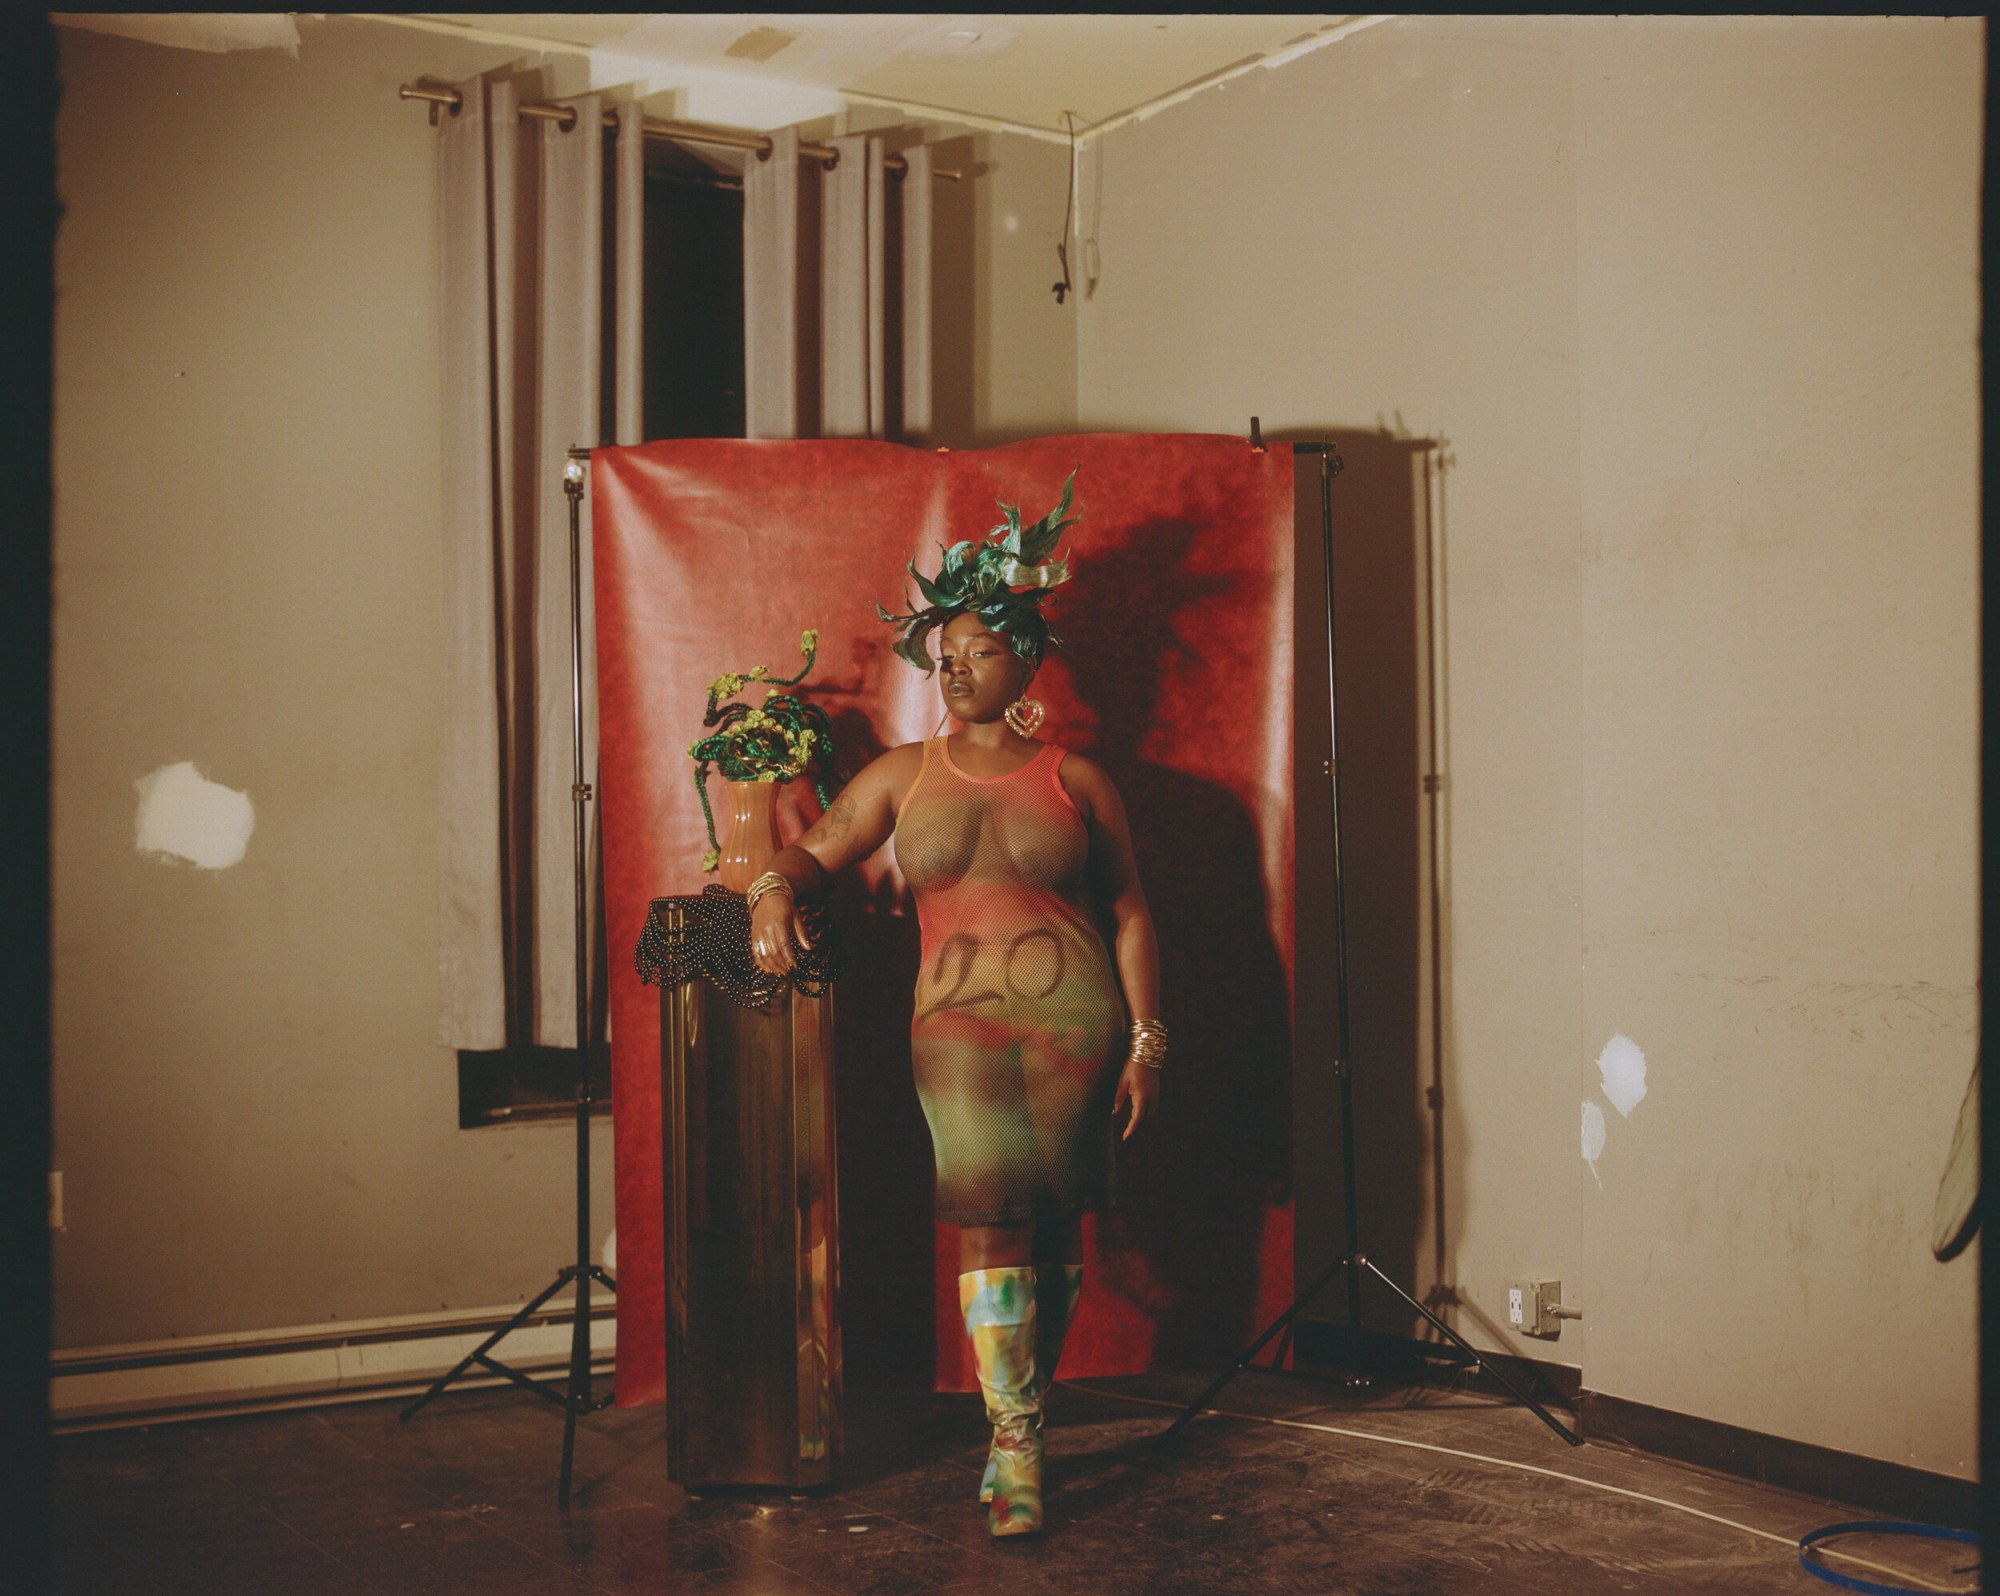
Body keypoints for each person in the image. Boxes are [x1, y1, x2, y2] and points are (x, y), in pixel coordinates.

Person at [745, 471, 1166, 1538]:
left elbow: (1126, 913)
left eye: (982, 652)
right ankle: (1016, 1446)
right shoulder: (901, 773)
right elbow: (815, 849)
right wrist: (767, 894)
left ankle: (1018, 1419)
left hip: (1074, 1022)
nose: (958, 669)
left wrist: (1146, 1038)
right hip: (956, 1032)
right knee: (989, 1215)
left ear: (1026, 659)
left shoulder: (1079, 779)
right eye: (946, 655)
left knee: (1058, 1221)